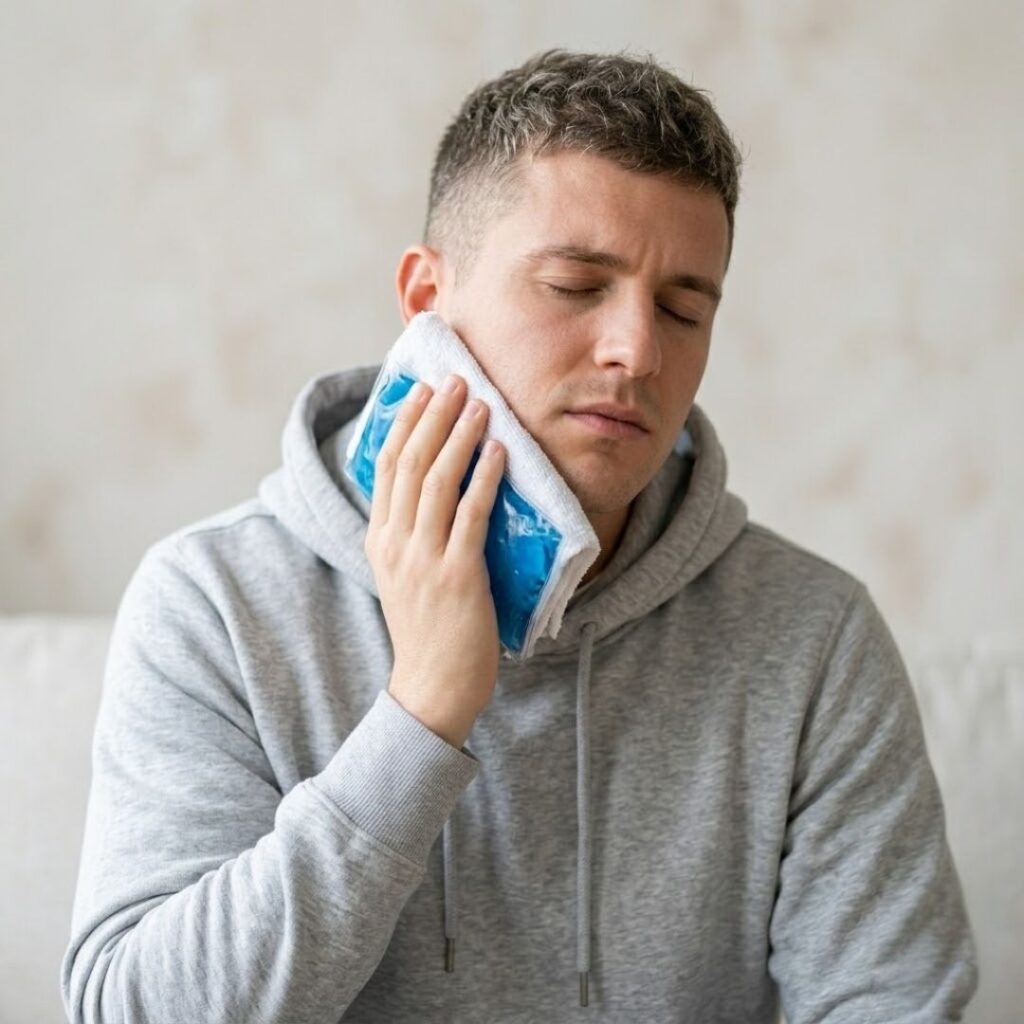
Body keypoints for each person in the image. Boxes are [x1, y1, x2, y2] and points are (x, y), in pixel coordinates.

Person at [61, 47, 978, 1023]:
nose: (637, 350)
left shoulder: (812, 635)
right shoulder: (214, 602)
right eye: (577, 286)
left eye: (682, 308)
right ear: (424, 300)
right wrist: (422, 715)